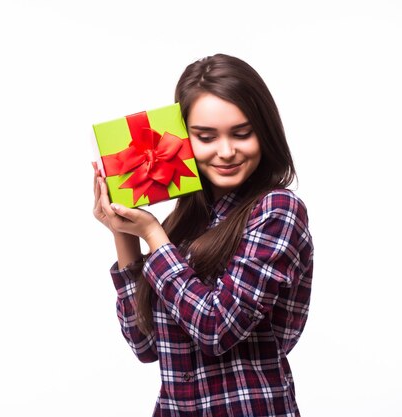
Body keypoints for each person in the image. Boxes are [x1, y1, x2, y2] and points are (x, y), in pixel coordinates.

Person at [92, 53, 314, 417]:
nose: (226, 152)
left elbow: (216, 328)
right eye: (206, 137)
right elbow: (145, 345)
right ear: (182, 137)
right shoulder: (183, 223)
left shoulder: (277, 210)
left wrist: (152, 233)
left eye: (242, 133)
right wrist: (125, 234)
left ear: (265, 131)